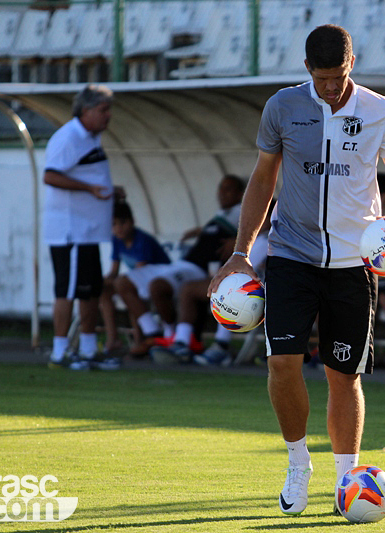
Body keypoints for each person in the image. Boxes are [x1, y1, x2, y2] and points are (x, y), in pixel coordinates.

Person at [207, 25, 385, 516]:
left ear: (352, 64)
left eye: (340, 76)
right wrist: (243, 251)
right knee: (282, 362)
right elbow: (263, 179)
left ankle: (348, 479)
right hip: (291, 254)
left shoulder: (379, 109)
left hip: (354, 261)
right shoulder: (282, 107)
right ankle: (297, 463)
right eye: (323, 78)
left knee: (343, 374)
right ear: (308, 70)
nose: (332, 87)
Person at [116, 174, 245, 359]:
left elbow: (265, 228)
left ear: (241, 194)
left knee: (157, 286)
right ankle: (154, 334)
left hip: (196, 270)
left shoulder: (245, 210)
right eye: (221, 188)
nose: (222, 193)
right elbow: (216, 231)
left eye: (229, 189)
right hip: (179, 263)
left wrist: (239, 240)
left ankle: (171, 336)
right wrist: (200, 230)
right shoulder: (221, 214)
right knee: (122, 283)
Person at [43, 84, 124, 371]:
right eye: (103, 110)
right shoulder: (69, 137)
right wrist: (90, 188)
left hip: (89, 232)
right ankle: (60, 353)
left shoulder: (92, 137)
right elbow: (51, 176)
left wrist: (107, 190)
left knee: (90, 290)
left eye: (109, 109)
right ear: (86, 110)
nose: (108, 116)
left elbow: (86, 172)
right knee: (66, 290)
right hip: (70, 233)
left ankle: (89, 350)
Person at [100, 201, 171, 354]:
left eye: (123, 222)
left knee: (130, 293)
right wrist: (104, 281)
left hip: (157, 281)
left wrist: (114, 281)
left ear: (132, 221)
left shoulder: (142, 240)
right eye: (113, 224)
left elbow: (141, 270)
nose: (118, 228)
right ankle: (113, 339)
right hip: (138, 281)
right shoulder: (117, 241)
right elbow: (114, 271)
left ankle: (141, 340)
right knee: (104, 291)